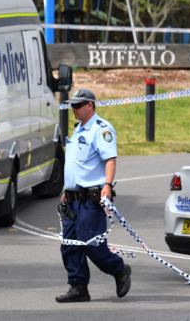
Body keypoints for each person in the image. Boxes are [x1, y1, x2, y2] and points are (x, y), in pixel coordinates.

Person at [56, 88, 131, 303]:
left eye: (78, 106)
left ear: (90, 105)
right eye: (72, 106)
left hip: (91, 199)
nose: (74, 110)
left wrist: (107, 185)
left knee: (91, 244)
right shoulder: (78, 129)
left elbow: (110, 159)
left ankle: (119, 270)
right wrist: (66, 191)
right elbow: (75, 166)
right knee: (69, 245)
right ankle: (78, 287)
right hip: (72, 198)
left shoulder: (102, 129)